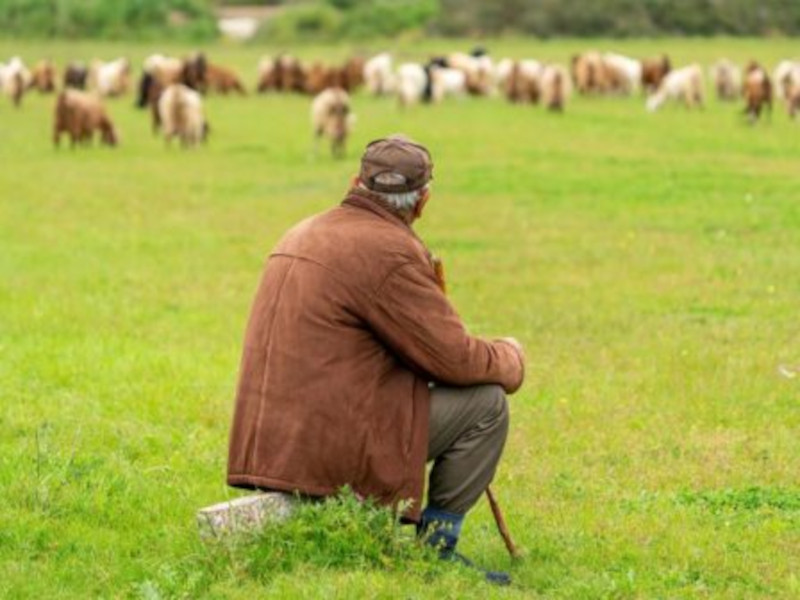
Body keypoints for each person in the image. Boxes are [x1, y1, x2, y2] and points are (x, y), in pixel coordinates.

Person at [227, 135, 525, 584]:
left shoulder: (302, 230)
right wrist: (510, 357)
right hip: (325, 453)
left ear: (355, 183)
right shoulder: (390, 252)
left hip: (270, 448)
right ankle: (435, 555)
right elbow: (456, 360)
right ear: (423, 201)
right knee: (485, 404)